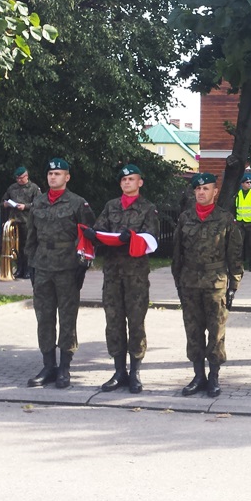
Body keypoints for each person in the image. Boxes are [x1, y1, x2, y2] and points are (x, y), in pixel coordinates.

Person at [83, 164, 159, 394]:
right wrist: (92, 235)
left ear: (140, 182)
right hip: (113, 273)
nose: (127, 182)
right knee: (113, 321)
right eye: (124, 180)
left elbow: (152, 239)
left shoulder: (148, 208)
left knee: (136, 322)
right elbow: (100, 230)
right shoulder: (111, 206)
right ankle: (118, 371)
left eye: (131, 179)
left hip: (136, 274)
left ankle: (135, 372)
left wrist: (133, 237)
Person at [25, 158, 96, 389]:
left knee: (67, 318)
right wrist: (31, 266)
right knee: (44, 318)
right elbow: (31, 238)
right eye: (50, 174)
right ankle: (48, 366)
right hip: (43, 267)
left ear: (67, 177)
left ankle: (65, 367)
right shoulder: (38, 203)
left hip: (67, 268)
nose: (52, 177)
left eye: (58, 173)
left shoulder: (78, 204)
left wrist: (82, 267)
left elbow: (87, 238)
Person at [171, 172, 243, 398]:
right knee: (192, 331)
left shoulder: (225, 219)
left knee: (216, 332)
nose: (201, 192)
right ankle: (198, 375)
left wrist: (233, 285)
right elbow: (177, 254)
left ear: (215, 191)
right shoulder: (185, 218)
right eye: (198, 189)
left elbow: (235, 255)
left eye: (206, 189)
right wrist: (178, 283)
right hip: (190, 282)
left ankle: (213, 376)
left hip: (216, 283)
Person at [0, 166, 41, 279]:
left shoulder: (34, 188)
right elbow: (4, 200)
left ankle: (28, 269)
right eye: (17, 178)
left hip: (27, 221)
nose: (19, 180)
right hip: (14, 221)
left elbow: (39, 204)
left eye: (21, 178)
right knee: (15, 247)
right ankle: (19, 268)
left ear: (26, 176)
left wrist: (26, 206)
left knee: (27, 246)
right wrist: (6, 204)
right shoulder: (12, 188)